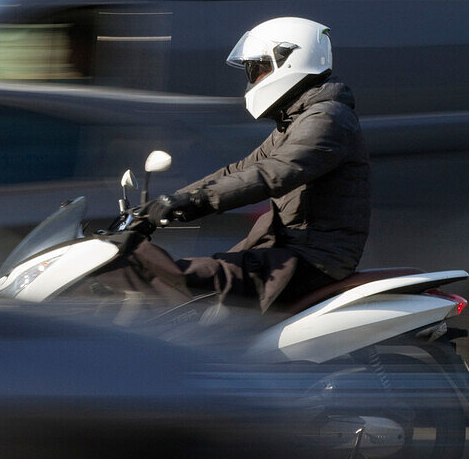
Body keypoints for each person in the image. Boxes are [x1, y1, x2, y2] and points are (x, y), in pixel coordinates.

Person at [100, 17, 371, 312]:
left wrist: (193, 201)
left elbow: (272, 173)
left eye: (258, 69)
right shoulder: (297, 120)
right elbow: (239, 170)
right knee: (189, 285)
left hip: (312, 260)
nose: (253, 79)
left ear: (289, 60)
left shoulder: (327, 119)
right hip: (289, 251)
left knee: (189, 280)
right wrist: (160, 207)